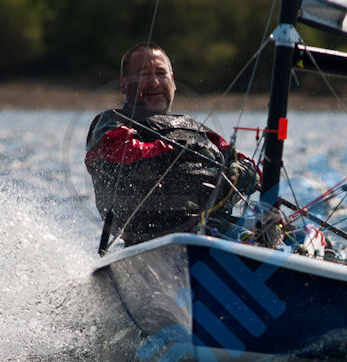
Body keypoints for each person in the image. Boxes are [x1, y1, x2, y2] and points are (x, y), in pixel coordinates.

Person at [85, 42, 257, 247]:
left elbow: (246, 163)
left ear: (173, 82)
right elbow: (117, 151)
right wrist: (175, 150)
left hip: (212, 231)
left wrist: (244, 171)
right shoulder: (111, 121)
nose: (154, 82)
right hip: (148, 240)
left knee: (266, 230)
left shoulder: (197, 130)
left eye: (160, 73)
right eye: (143, 74)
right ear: (124, 83)